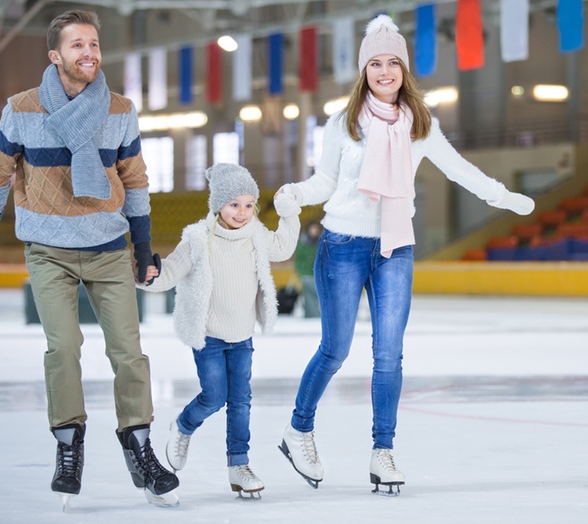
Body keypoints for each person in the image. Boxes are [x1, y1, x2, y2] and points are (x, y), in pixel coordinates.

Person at [276, 15, 535, 495]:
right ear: (364, 71)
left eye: (392, 61)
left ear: (404, 68)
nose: (384, 71)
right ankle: (299, 428)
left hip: (395, 247)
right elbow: (326, 181)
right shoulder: (343, 122)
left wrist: (502, 196)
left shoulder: (420, 123)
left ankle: (383, 450)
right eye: (375, 63)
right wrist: (295, 192)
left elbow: (458, 169)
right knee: (335, 350)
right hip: (343, 244)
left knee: (389, 355)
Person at [0, 10, 179, 509]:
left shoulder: (120, 109)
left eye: (95, 45)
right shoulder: (21, 108)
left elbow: (135, 179)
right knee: (63, 348)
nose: (89, 53)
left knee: (129, 352)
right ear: (55, 55)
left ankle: (139, 447)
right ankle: (69, 448)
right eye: (77, 45)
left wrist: (143, 247)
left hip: (107, 249)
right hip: (49, 251)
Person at [137, 164, 301, 499]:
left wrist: (289, 213)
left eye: (249, 204)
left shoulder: (256, 234)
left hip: (242, 336)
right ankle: (183, 425)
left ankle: (239, 465)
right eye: (234, 205)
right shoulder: (198, 238)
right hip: (209, 336)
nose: (242, 213)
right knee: (214, 397)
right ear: (218, 206)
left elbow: (283, 248)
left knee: (240, 401)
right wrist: (149, 277)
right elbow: (170, 273)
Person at [293, 221, 323, 318]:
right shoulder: (302, 242)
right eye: (312, 228)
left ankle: (320, 315)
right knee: (308, 296)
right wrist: (301, 271)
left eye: (315, 229)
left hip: (318, 273)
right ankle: (310, 315)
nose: (314, 231)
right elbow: (298, 259)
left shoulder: (321, 242)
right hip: (306, 273)